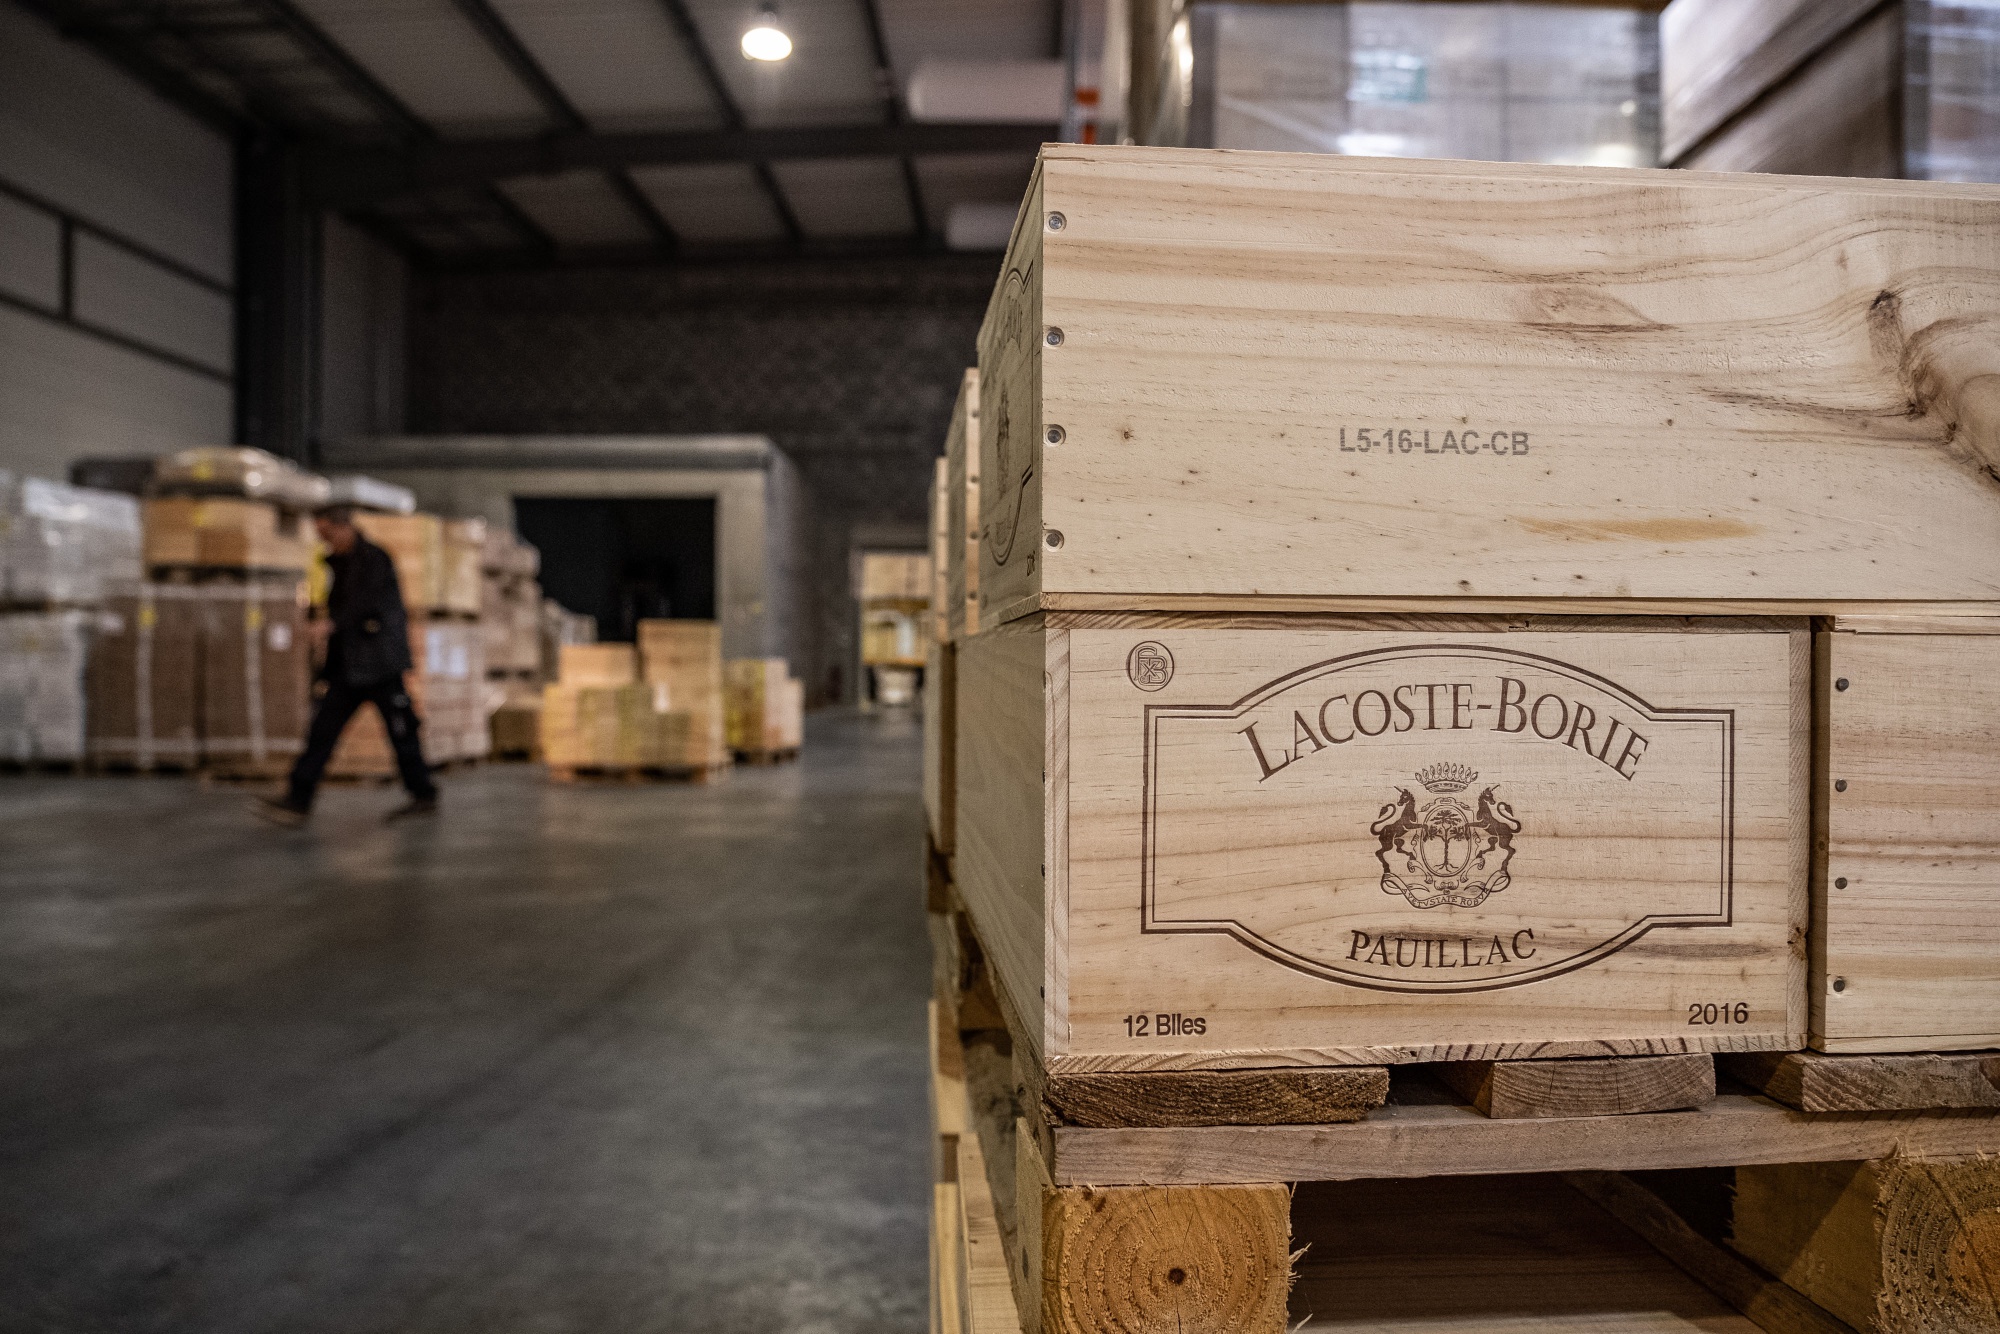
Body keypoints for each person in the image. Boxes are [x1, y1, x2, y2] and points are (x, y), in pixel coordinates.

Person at [254, 506, 438, 826]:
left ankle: (423, 794)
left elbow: (363, 604)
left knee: (401, 731)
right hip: (348, 669)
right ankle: (298, 799)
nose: (324, 541)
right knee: (322, 732)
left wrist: (331, 625)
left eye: (327, 534)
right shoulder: (334, 563)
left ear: (343, 528)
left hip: (380, 665)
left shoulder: (373, 559)